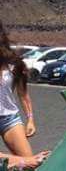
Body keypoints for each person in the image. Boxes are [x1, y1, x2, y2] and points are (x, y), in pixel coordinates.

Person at [0, 21, 39, 162]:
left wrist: (30, 120)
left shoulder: (14, 64)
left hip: (9, 119)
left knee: (31, 163)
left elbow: (23, 94)